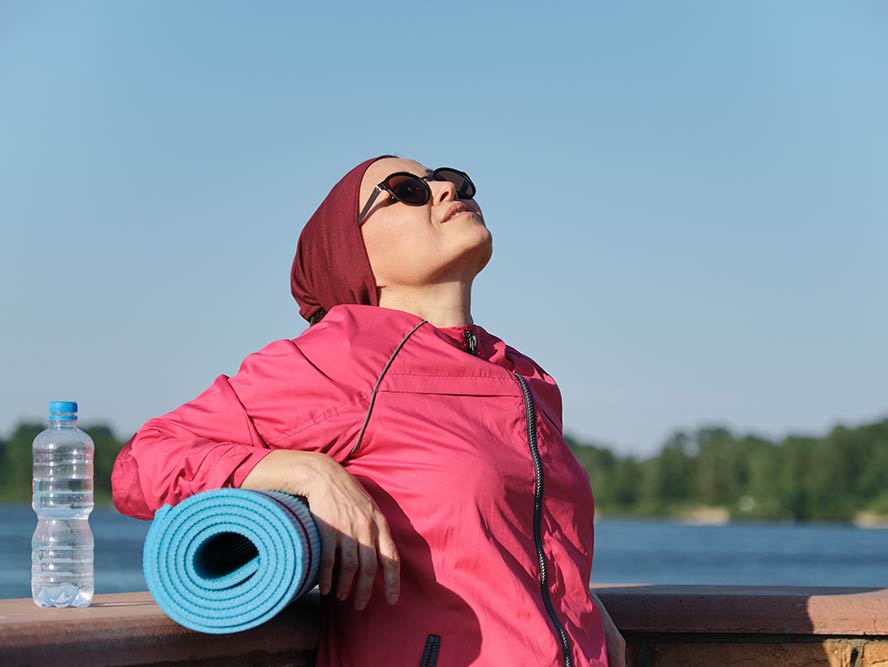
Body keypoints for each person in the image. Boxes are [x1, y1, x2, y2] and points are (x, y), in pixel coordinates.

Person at [111, 155, 626, 666]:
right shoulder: (343, 357)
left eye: (451, 179)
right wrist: (305, 470)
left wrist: (582, 614)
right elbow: (142, 462)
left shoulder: (525, 377)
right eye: (407, 190)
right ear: (351, 254)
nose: (447, 190)